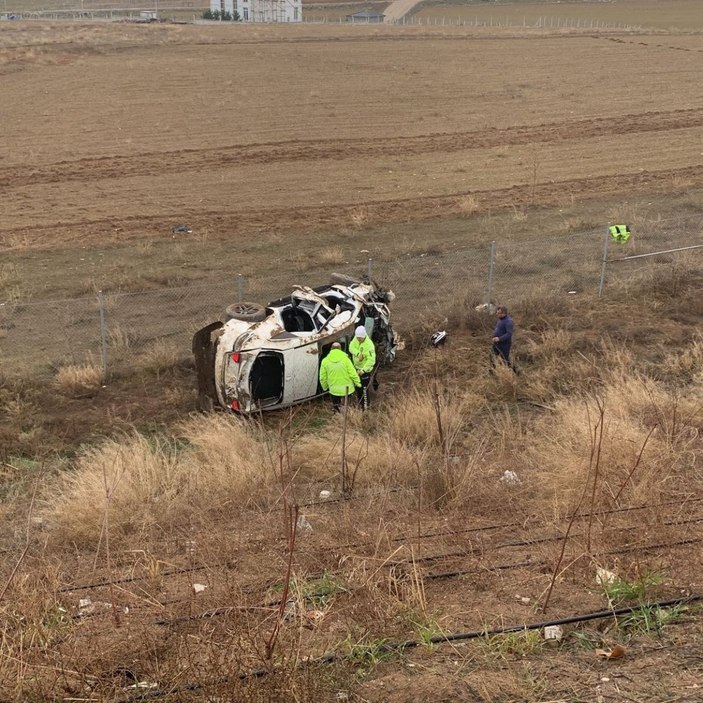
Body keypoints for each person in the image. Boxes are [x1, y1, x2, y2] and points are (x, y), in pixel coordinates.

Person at [319, 342, 360, 413]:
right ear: (340, 349)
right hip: (348, 389)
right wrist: (358, 383)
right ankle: (349, 420)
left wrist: (325, 387)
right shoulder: (346, 359)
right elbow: (353, 373)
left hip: (334, 390)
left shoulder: (325, 361)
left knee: (336, 408)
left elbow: (322, 377)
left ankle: (337, 419)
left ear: (331, 349)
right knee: (348, 408)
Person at [349, 325, 376, 410]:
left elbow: (371, 361)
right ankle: (359, 405)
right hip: (356, 367)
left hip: (364, 370)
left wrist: (363, 370)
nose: (358, 339)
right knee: (358, 388)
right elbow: (351, 347)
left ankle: (365, 408)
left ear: (364, 336)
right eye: (357, 338)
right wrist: (358, 354)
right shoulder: (356, 339)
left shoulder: (369, 346)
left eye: (360, 338)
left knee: (364, 390)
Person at [491, 305, 516, 371]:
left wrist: (499, 338)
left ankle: (516, 371)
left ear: (504, 313)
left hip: (504, 344)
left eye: (498, 313)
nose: (497, 314)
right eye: (497, 312)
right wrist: (494, 336)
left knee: (505, 360)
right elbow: (498, 329)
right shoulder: (500, 320)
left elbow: (509, 334)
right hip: (496, 343)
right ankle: (492, 371)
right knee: (492, 356)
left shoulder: (508, 321)